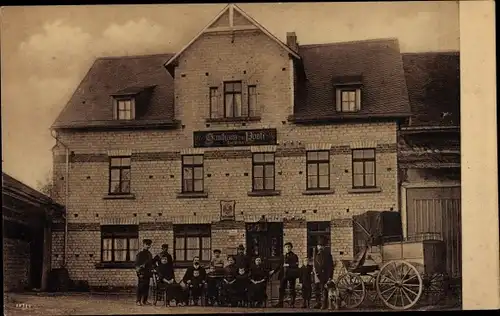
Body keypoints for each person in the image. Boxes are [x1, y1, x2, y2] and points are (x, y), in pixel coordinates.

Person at [270, 242, 299, 307]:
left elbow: (296, 265)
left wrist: (289, 265)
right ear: (284, 248)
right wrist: (274, 271)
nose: (287, 248)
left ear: (291, 248)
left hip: (291, 274)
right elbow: (279, 265)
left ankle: (292, 303)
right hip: (283, 274)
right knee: (281, 288)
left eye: (289, 247)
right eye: (286, 247)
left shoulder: (294, 256)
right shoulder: (283, 256)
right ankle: (280, 303)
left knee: (292, 289)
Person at [312, 236, 334, 309]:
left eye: (322, 246)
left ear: (324, 247)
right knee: (316, 289)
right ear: (317, 246)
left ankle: (324, 304)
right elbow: (315, 264)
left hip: (324, 274)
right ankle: (318, 303)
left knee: (323, 289)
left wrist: (330, 277)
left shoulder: (328, 255)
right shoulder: (315, 254)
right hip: (316, 274)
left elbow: (331, 267)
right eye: (319, 246)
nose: (320, 247)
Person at [134, 239, 154, 306]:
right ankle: (138, 301)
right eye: (146, 244)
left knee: (146, 287)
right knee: (141, 287)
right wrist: (139, 273)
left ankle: (145, 301)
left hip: (147, 273)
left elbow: (151, 263)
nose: (148, 246)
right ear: (143, 245)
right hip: (142, 273)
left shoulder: (150, 254)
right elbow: (136, 265)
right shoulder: (140, 254)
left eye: (149, 244)